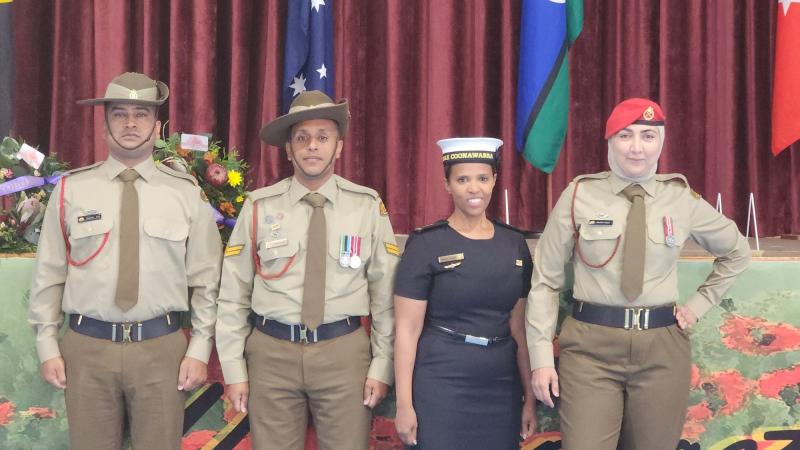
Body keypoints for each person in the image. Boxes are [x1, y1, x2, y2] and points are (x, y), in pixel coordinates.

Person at [527, 98, 751, 450]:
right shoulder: (578, 195)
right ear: (609, 142)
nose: (636, 148)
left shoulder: (680, 198)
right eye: (625, 136)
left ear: (661, 142)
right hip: (590, 350)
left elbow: (737, 251)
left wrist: (698, 304)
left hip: (662, 350)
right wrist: (541, 360)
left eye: (648, 136)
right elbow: (546, 281)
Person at [28, 72, 223, 449]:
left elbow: (206, 280)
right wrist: (48, 345)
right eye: (119, 113)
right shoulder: (72, 189)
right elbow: (49, 274)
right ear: (104, 125)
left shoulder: (184, 193)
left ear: (157, 125)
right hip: (87, 350)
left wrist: (199, 348)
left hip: (161, 348)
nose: (130, 123)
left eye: (141, 113)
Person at [215, 90, 399, 450]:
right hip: (272, 356)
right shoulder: (258, 207)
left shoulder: (366, 206)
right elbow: (233, 296)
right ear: (288, 150)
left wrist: (381, 366)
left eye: (322, 137)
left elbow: (385, 297)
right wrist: (235, 371)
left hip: (343, 354)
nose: (312, 146)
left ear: (339, 147)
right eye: (302, 138)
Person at [393, 137, 535, 449]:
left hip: (500, 383)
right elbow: (407, 329)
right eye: (462, 179)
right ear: (446, 184)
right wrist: (404, 404)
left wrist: (528, 398)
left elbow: (518, 328)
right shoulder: (426, 244)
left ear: (495, 180)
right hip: (442, 381)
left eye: (483, 178)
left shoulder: (514, 244)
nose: (474, 189)